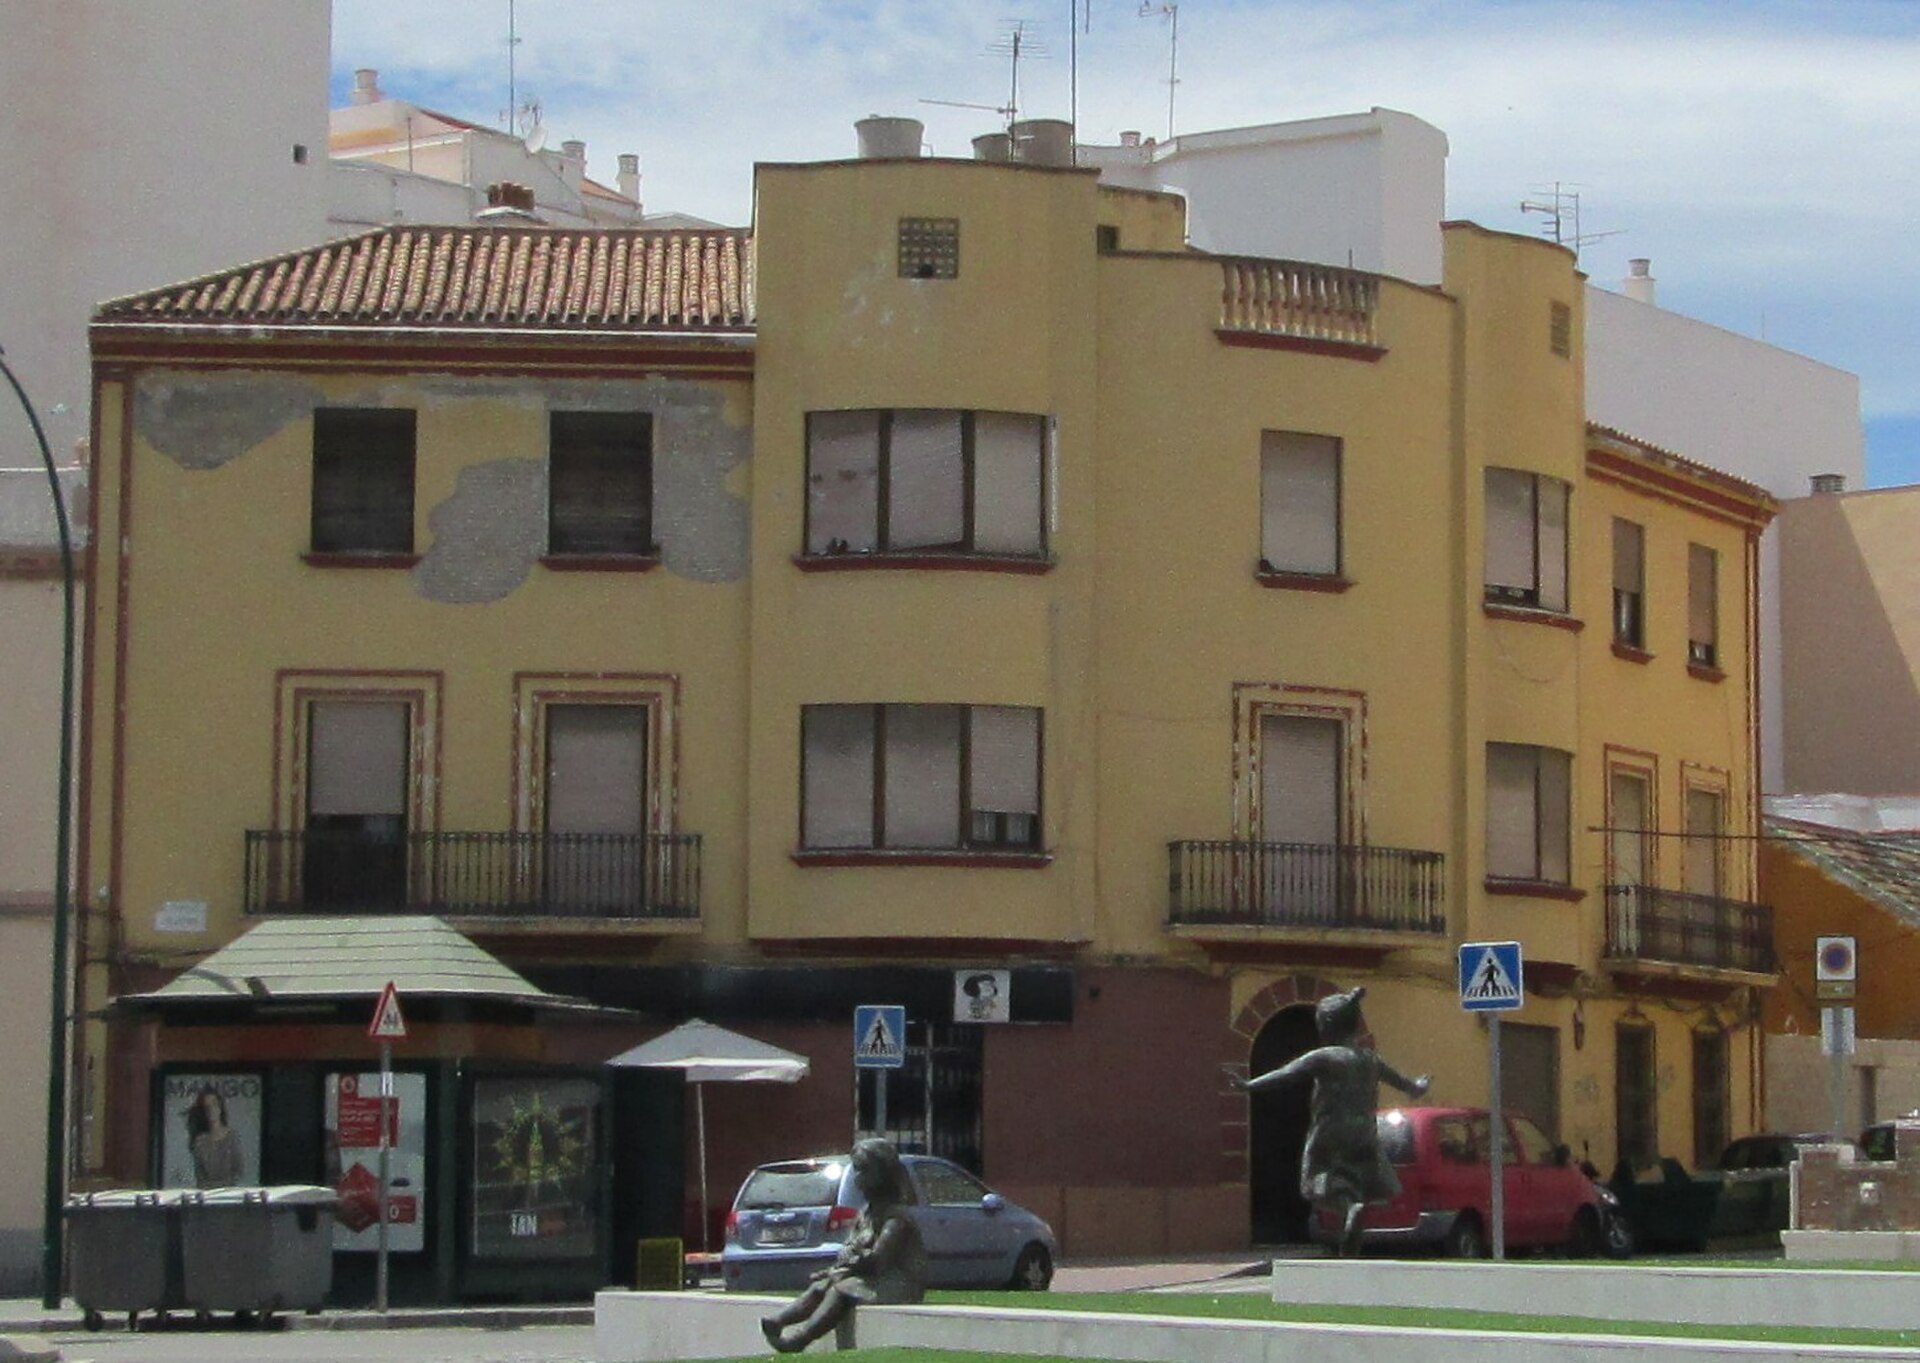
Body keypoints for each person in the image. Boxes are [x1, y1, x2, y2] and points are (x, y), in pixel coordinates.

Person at [1238, 987, 1430, 1256]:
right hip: (1364, 1131)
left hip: (1330, 1130)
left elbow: (1286, 1074)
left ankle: (1349, 1208)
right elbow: (1406, 1084)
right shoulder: (1370, 1059)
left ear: (1326, 1027)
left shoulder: (1326, 1057)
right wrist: (1419, 1085)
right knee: (1355, 1174)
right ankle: (1353, 1209)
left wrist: (1249, 1085)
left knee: (1315, 1180)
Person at [760, 1138, 927, 1353]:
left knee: (841, 1288)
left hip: (898, 1284)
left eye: (863, 1171)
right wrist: (834, 1270)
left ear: (883, 1174)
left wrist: (847, 1268)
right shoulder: (866, 1214)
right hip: (870, 1278)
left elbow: (877, 1261)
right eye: (856, 1170)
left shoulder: (896, 1218)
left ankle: (800, 1339)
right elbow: (850, 1250)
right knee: (824, 1284)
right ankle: (779, 1321)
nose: (857, 1177)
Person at [185, 1084, 244, 1188]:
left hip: (231, 1194)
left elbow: (238, 1172)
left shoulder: (232, 1137)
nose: (211, 1109)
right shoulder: (200, 1142)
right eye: (207, 1107)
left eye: (214, 1104)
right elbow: (200, 1177)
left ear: (220, 1107)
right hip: (208, 1196)